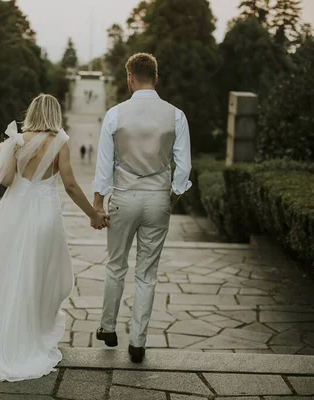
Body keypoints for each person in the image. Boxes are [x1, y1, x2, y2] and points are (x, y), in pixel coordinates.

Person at [0, 94, 109, 382]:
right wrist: (92, 214)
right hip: (45, 216)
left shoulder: (16, 141)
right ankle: (35, 331)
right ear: (55, 113)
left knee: (10, 271)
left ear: (32, 112)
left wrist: (2, 155)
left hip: (14, 213)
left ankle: (5, 331)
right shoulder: (60, 142)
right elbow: (71, 185)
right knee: (42, 274)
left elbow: (6, 182)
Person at [92, 53, 192, 363]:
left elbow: (104, 165)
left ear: (130, 78)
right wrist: (172, 195)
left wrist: (97, 203)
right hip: (157, 198)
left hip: (123, 196)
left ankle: (108, 327)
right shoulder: (176, 115)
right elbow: (184, 166)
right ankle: (138, 342)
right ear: (156, 78)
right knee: (147, 273)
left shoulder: (115, 114)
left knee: (115, 265)